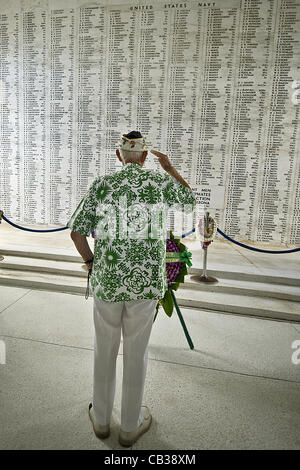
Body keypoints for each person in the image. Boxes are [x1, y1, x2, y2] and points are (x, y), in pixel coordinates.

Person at [67, 131, 196, 446]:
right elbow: (190, 202)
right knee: (136, 353)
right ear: (146, 157)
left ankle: (100, 420)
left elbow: (76, 233)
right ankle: (129, 425)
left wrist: (92, 262)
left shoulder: (102, 185)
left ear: (118, 154)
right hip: (144, 284)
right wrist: (170, 169)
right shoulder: (158, 183)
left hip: (108, 282)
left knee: (104, 350)